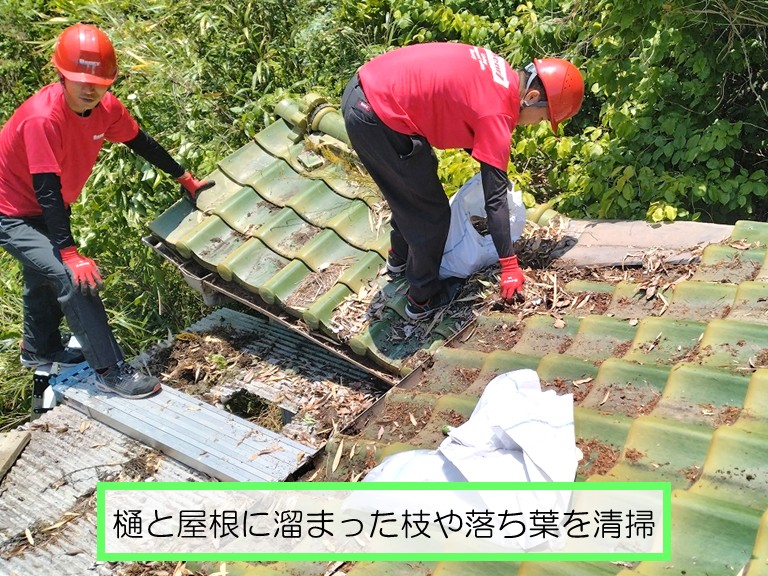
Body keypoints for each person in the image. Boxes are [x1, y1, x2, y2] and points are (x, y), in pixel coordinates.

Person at [0, 23, 213, 398]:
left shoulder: (106, 109)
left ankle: (39, 349)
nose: (89, 89)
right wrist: (70, 254)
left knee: (43, 276)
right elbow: (46, 189)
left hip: (47, 206)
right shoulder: (42, 118)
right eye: (80, 80)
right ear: (62, 75)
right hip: (11, 212)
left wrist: (184, 177)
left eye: (98, 82)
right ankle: (110, 371)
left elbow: (141, 142)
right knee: (70, 277)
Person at [341, 42, 584, 320]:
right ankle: (422, 299)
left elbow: (462, 110)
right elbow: (495, 202)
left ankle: (399, 257)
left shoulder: (499, 71)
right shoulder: (498, 111)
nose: (534, 124)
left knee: (412, 185)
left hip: (367, 91)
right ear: (531, 96)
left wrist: (492, 164)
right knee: (431, 215)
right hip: (376, 114)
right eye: (541, 118)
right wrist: (509, 266)